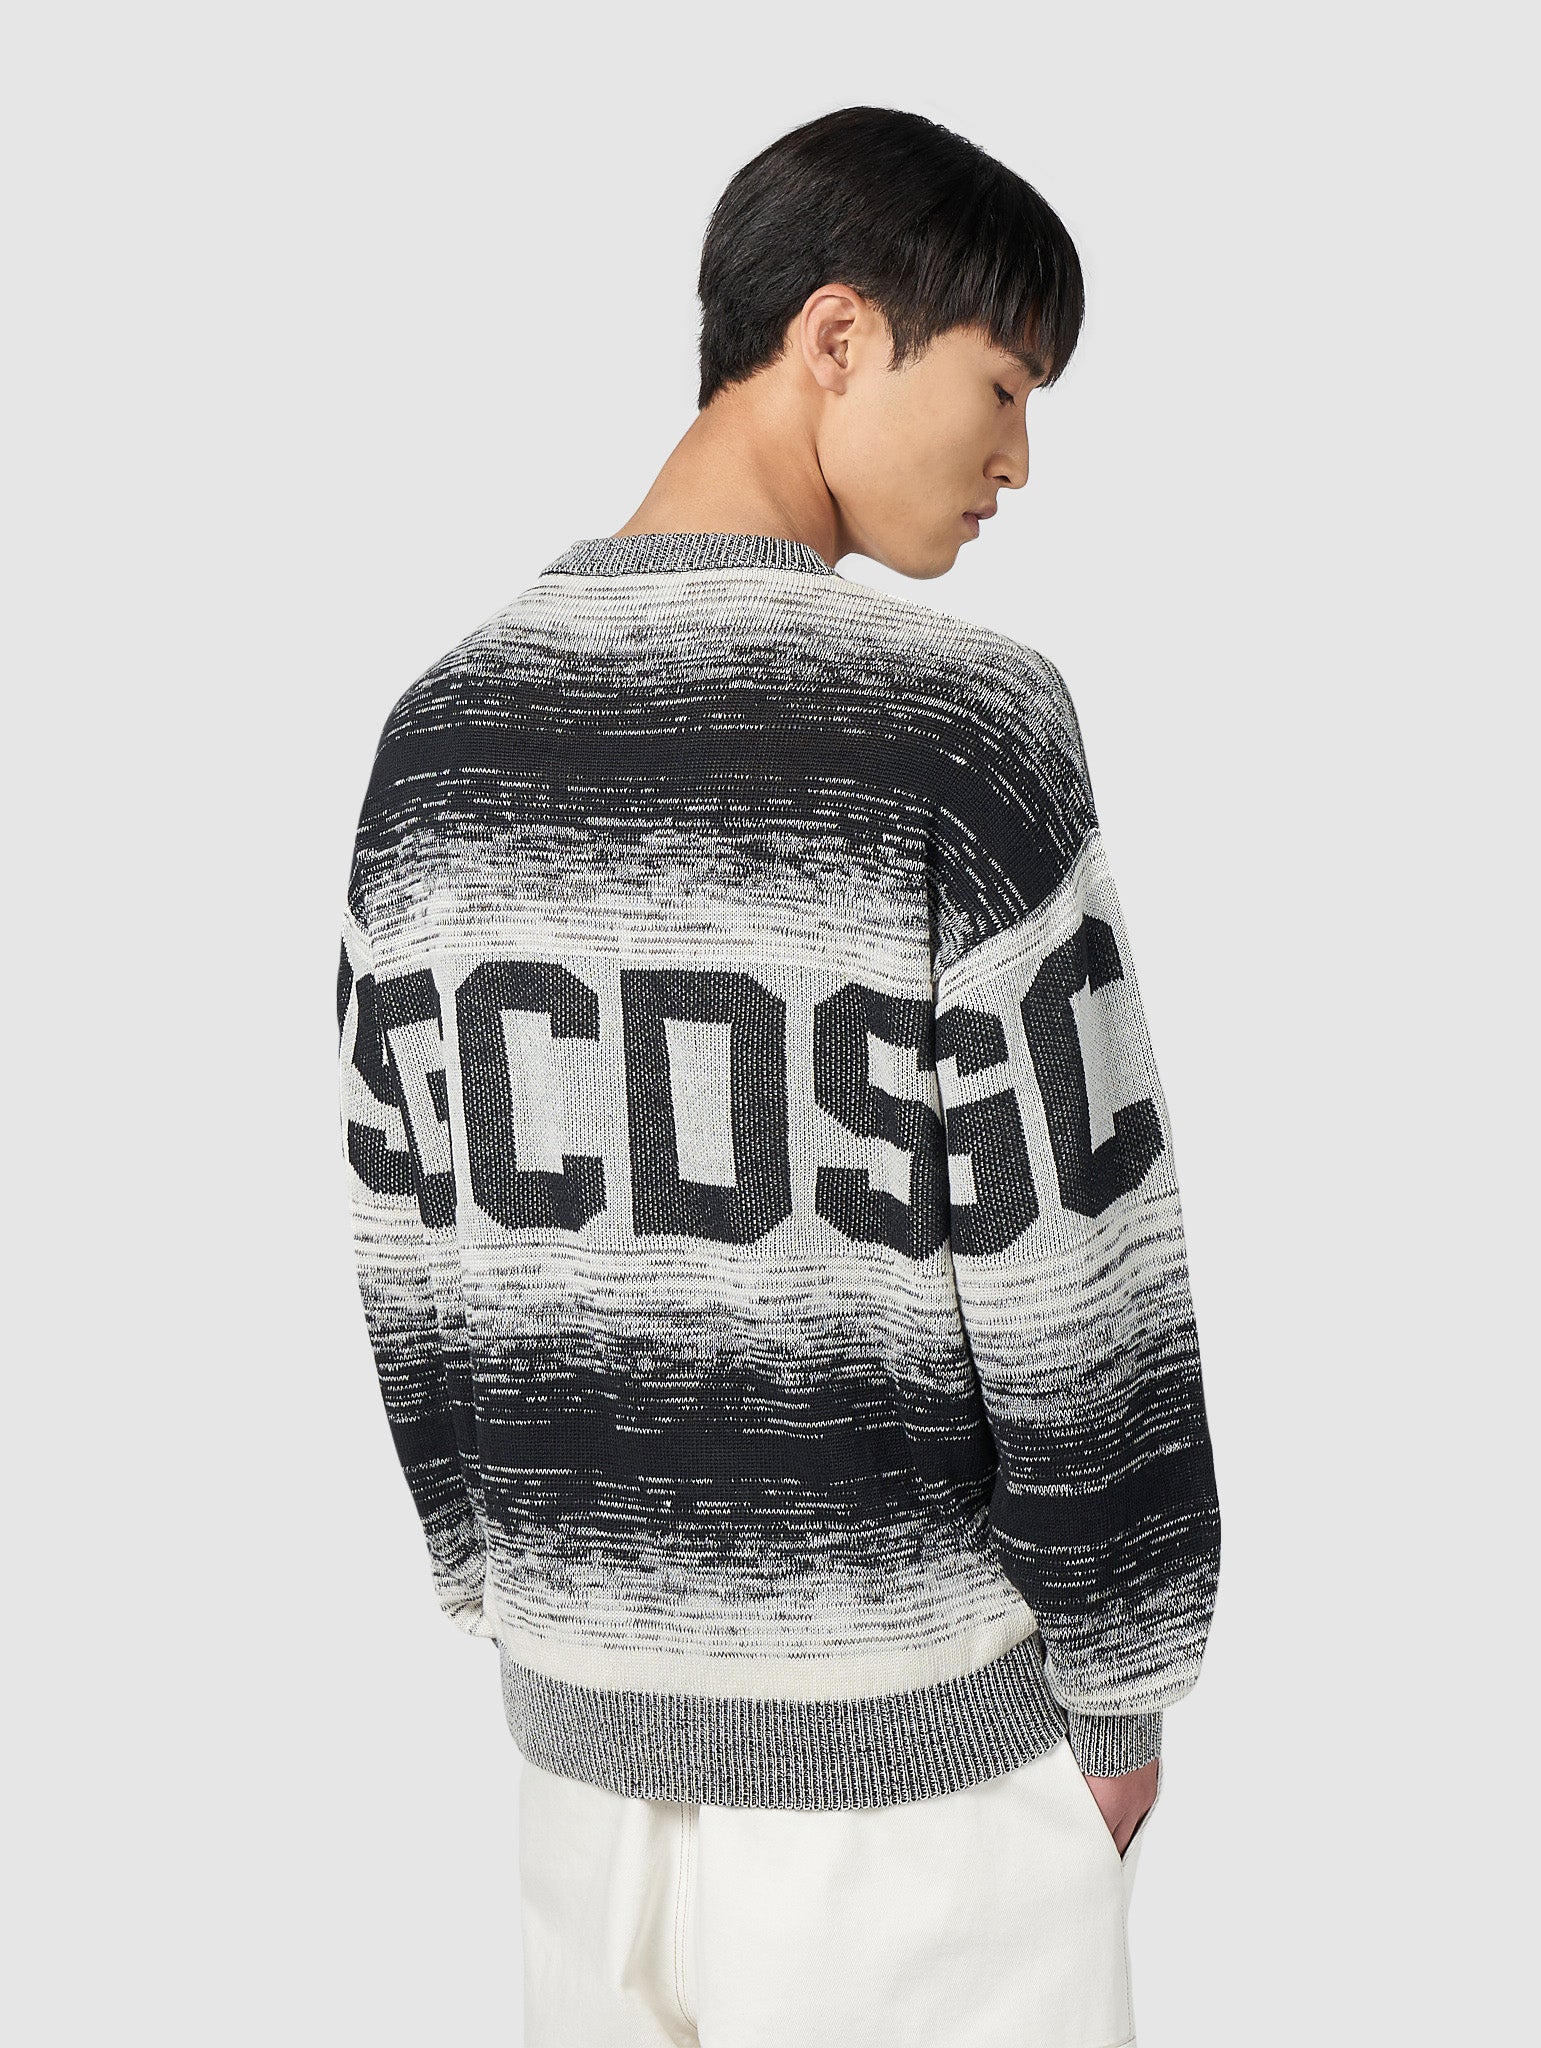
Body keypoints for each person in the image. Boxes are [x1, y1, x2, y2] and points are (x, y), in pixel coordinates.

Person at [336, 103, 1220, 2048]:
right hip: (923, 1806)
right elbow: (1079, 1252)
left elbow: (406, 1233)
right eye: (1003, 387)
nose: (1018, 461)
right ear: (838, 335)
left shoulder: (442, 737)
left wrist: (511, 1592)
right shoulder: (957, 731)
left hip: (579, 1799)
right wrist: (1126, 1676)